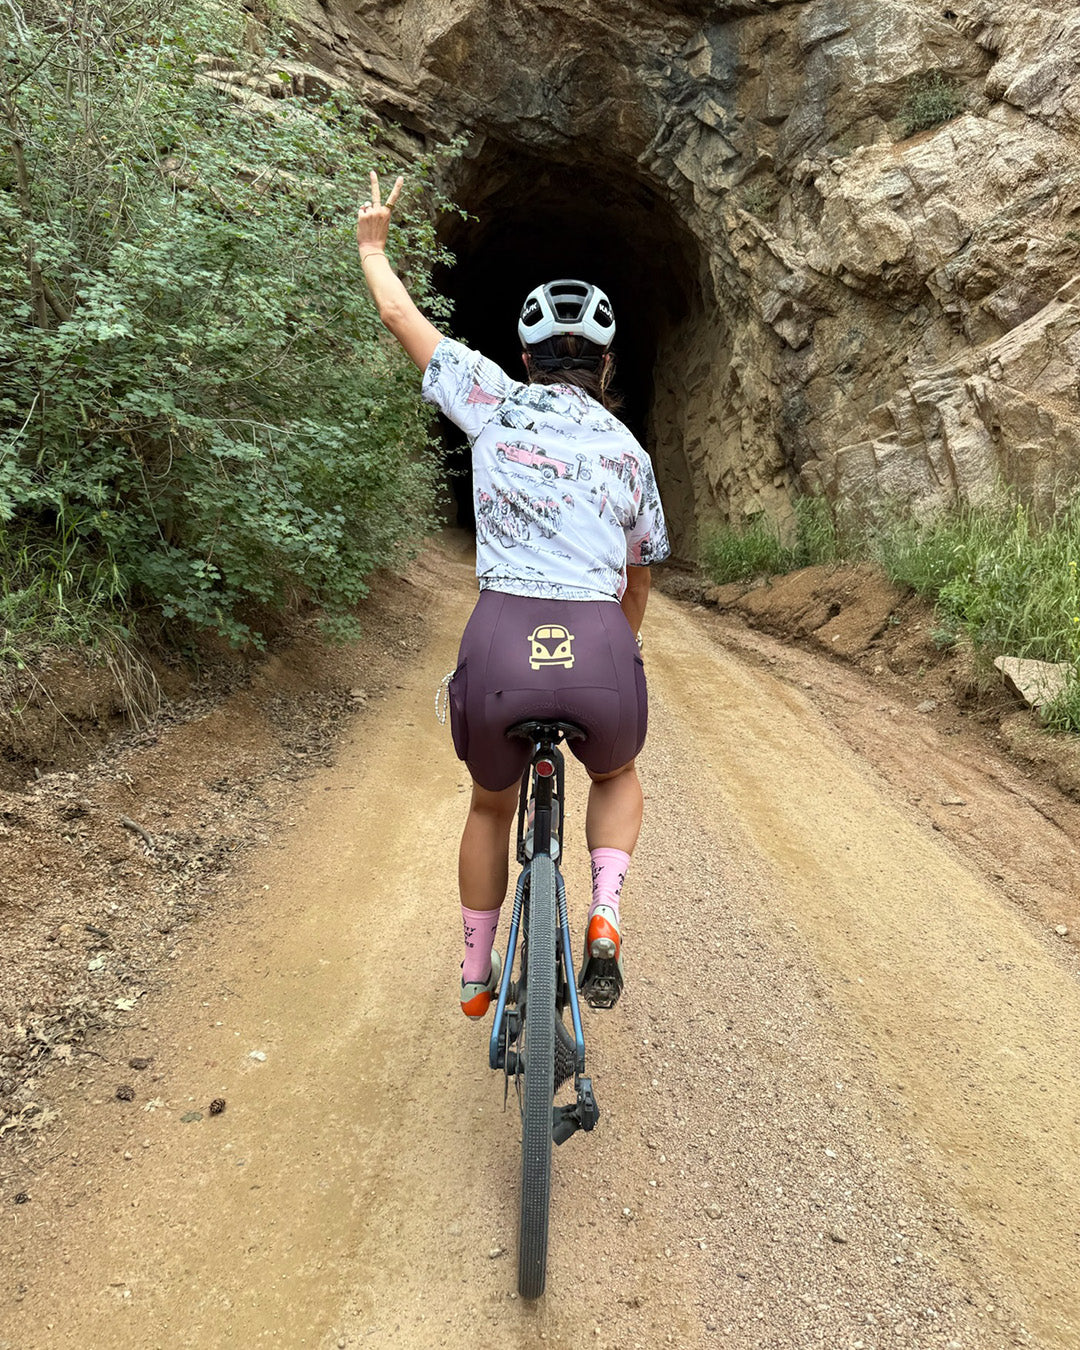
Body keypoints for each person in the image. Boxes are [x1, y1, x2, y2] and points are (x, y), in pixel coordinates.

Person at [356, 172, 669, 1017]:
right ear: (606, 363)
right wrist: (621, 645)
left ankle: (474, 972)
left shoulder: (493, 402)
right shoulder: (630, 454)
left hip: (502, 641)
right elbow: (639, 576)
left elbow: (400, 317)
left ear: (526, 358)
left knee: (491, 807)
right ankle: (604, 914)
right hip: (599, 645)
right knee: (618, 772)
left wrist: (374, 247)